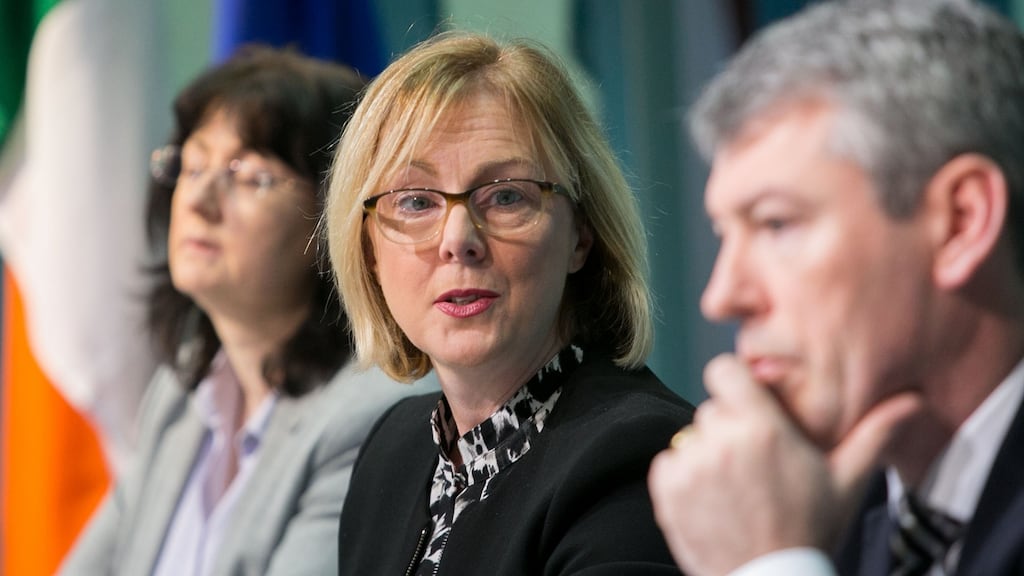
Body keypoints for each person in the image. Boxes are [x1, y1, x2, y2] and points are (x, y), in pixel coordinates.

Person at [648, 0, 1024, 575]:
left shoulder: (775, 534)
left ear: (961, 222)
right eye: (725, 234)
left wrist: (772, 564)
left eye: (776, 224)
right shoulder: (819, 504)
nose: (722, 296)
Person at [324, 31, 695, 575]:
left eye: (505, 196)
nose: (457, 238)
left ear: (581, 235)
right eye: (416, 201)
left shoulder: (638, 456)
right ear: (369, 250)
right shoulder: (393, 451)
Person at [59, 46, 430, 575]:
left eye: (250, 176)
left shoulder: (374, 416)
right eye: (192, 164)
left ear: (333, 220)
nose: (199, 200)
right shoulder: (180, 395)